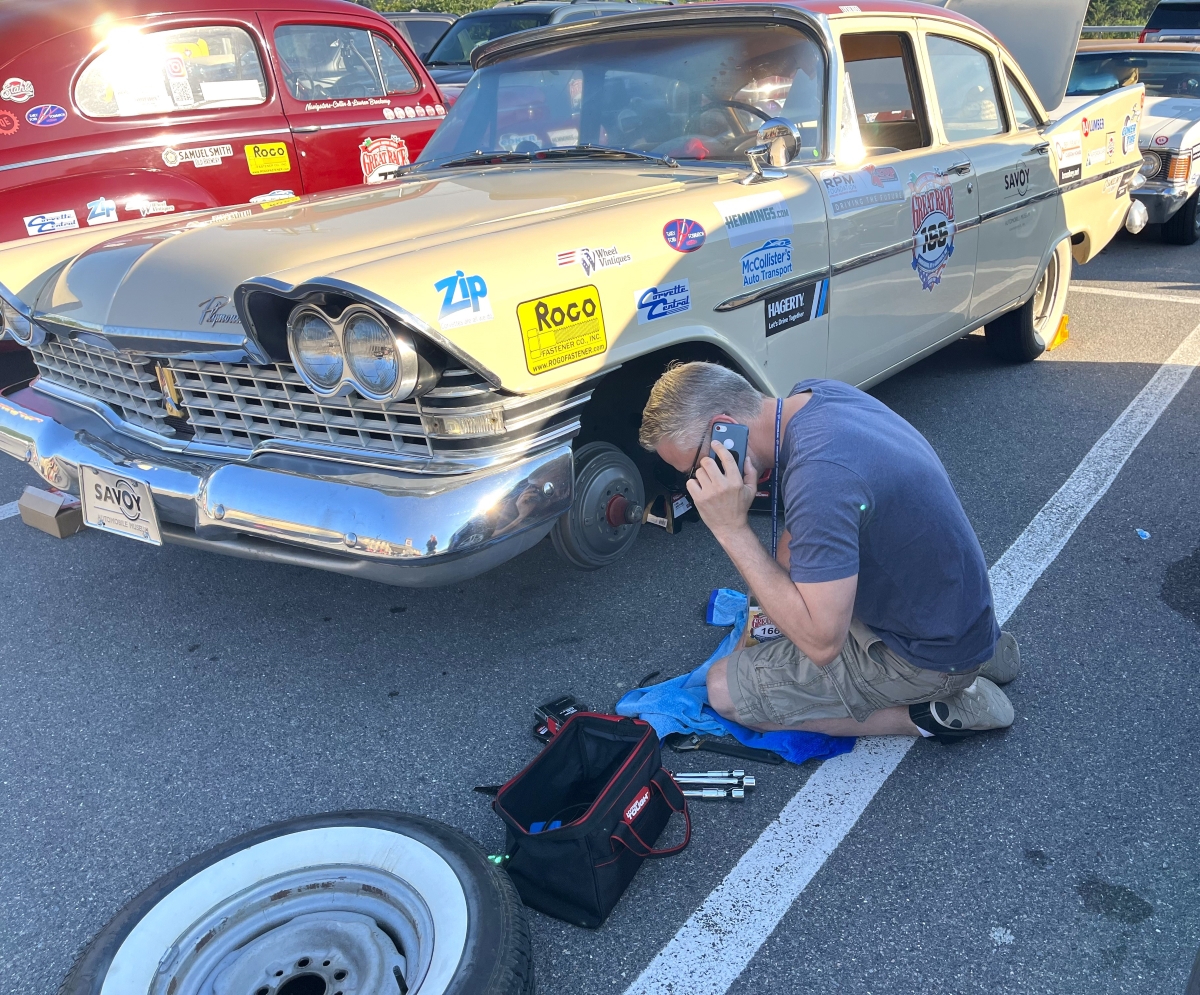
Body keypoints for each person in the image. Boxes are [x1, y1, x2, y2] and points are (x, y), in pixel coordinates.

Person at [638, 362, 1020, 741]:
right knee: (782, 604)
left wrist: (731, 530)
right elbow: (790, 556)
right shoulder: (815, 400)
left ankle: (932, 712)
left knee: (724, 689)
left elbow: (822, 644)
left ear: (725, 430)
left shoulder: (820, 478)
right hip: (953, 613)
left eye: (690, 470)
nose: (693, 485)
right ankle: (985, 654)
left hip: (930, 656)